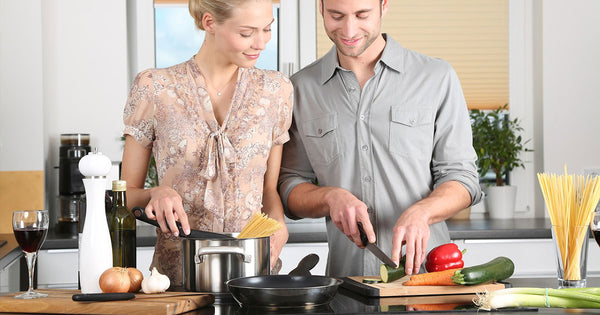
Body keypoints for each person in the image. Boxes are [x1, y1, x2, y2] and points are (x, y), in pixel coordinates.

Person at [278, 0, 483, 278]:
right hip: (346, 282)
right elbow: (290, 186)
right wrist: (330, 197)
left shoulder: (435, 77)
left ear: (384, 5)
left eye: (362, 15)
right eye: (336, 16)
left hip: (430, 279)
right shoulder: (301, 88)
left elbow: (463, 178)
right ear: (321, 8)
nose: (349, 29)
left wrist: (424, 211)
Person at [121, 0, 292, 286]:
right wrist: (156, 193)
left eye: (267, 29)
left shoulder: (277, 91)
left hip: (254, 277)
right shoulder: (155, 87)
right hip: (176, 279)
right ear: (209, 23)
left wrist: (279, 225)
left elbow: (268, 190)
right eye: (247, 33)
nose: (260, 42)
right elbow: (124, 196)